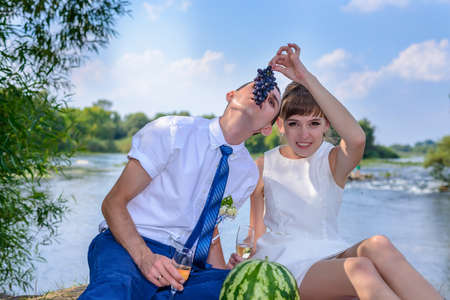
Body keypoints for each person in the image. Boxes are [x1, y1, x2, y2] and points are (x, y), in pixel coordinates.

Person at [229, 43, 443, 300]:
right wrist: (246, 259)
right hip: (285, 262)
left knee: (378, 245)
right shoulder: (264, 165)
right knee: (360, 269)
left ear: (326, 125)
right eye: (294, 123)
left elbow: (356, 139)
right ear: (281, 126)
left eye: (314, 123)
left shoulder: (332, 161)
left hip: (330, 251)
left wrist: (306, 78)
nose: (304, 134)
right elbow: (255, 229)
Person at [78, 73, 282, 299]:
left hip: (187, 268)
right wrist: (146, 258)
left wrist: (224, 273)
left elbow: (211, 228)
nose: (262, 96)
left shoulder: (247, 174)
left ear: (266, 129)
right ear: (230, 96)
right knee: (116, 288)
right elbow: (113, 203)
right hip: (128, 245)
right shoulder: (171, 131)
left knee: (245, 291)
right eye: (257, 88)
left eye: (272, 102)